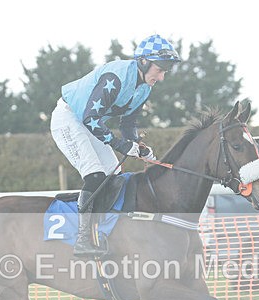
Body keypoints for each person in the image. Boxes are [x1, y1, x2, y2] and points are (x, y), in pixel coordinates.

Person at [50, 34, 181, 256]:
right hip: (69, 118)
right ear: (143, 62)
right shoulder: (117, 76)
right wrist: (121, 145)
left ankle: (101, 232)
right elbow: (90, 118)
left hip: (89, 121)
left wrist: (138, 145)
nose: (161, 77)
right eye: (160, 70)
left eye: (165, 71)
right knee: (95, 175)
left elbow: (128, 122)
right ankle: (83, 239)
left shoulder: (144, 88)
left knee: (114, 175)